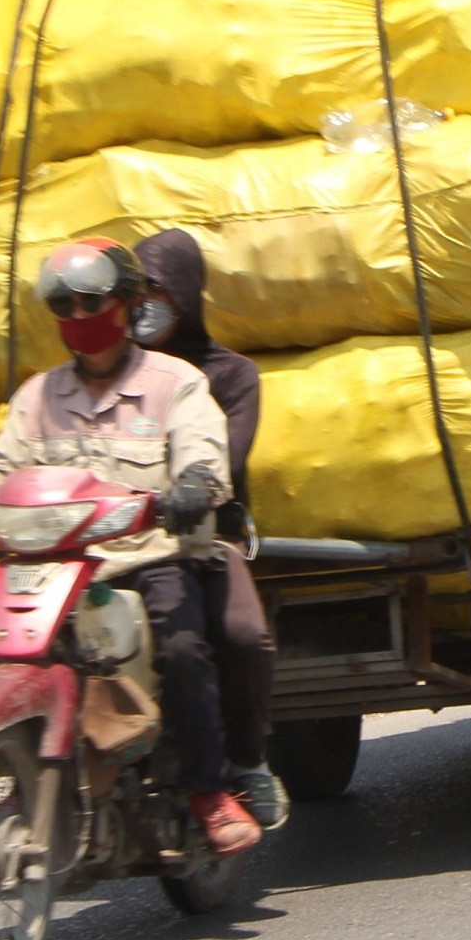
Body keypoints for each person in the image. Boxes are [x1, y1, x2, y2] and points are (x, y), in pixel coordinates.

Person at [0, 239, 260, 860]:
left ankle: (208, 790)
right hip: (49, 567)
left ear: (128, 305)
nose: (78, 314)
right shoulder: (38, 396)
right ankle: (22, 777)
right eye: (64, 303)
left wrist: (193, 487)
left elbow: (204, 455)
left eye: (92, 300)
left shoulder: (176, 384)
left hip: (144, 557)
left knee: (185, 649)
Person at [131, 229, 285, 833]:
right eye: (137, 292)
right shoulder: (109, 373)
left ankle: (247, 763)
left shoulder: (231, 375)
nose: (146, 306)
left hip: (201, 539)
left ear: (188, 296)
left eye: (160, 292)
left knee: (242, 636)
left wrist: (193, 489)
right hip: (113, 540)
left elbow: (228, 459)